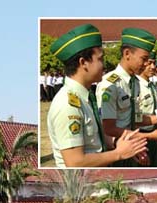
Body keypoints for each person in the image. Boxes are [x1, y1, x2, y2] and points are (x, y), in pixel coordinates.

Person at [47, 24, 147, 167]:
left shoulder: (85, 98)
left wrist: (124, 145)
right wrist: (119, 153)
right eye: (100, 59)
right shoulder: (68, 104)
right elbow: (74, 162)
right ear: (84, 63)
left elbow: (96, 139)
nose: (104, 65)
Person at [96, 28, 157, 167]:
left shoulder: (134, 82)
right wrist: (150, 136)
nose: (147, 63)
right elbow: (108, 128)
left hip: (131, 146)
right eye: (144, 59)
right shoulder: (110, 84)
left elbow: (134, 118)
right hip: (116, 149)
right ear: (127, 54)